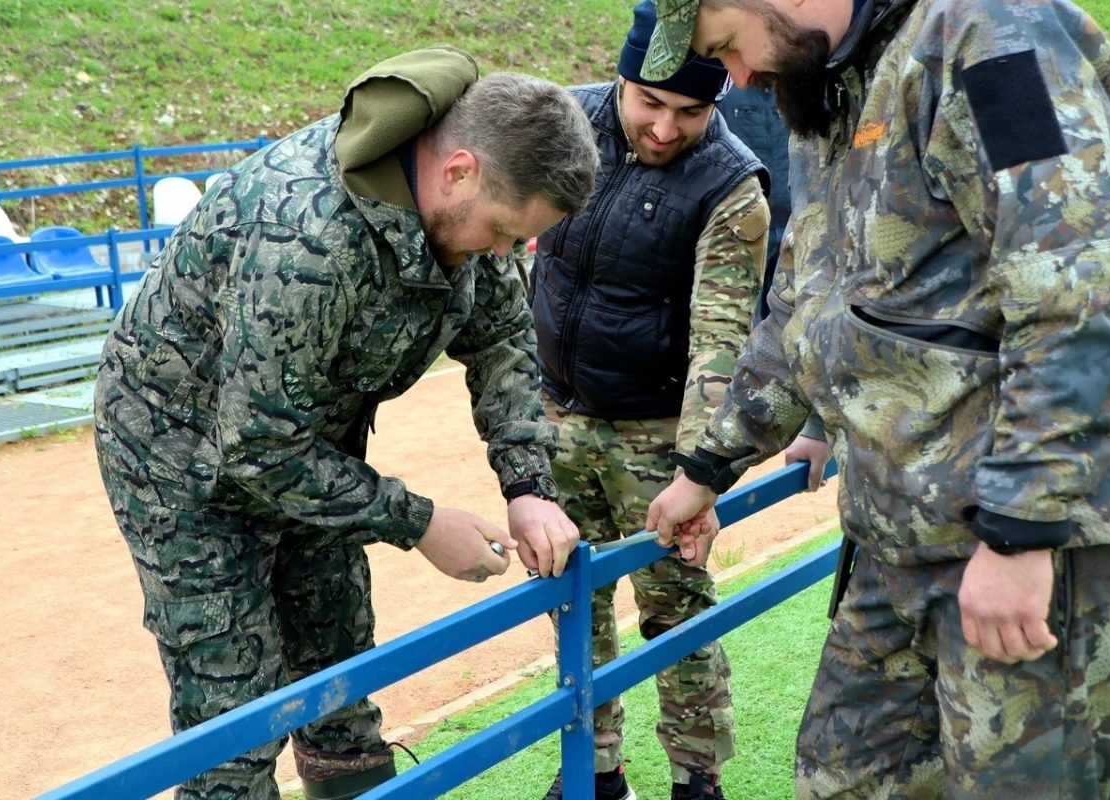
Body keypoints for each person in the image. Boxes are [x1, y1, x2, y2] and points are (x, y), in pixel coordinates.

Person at [641, 2, 1110, 798]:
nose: (742, 77)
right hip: (894, 541)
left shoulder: (987, 33)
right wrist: (709, 465)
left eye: (727, 46)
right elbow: (802, 306)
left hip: (1026, 539)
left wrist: (1021, 531)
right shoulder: (825, 89)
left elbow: (1076, 289)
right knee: (840, 777)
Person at [93, 47, 599, 800]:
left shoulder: (468, 202)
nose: (501, 254)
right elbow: (256, 449)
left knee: (338, 673)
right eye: (499, 232)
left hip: (309, 438)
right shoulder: (310, 236)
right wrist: (420, 521)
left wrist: (527, 483)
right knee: (235, 711)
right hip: (182, 456)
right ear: (459, 170)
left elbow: (500, 338)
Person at [527, 3, 768, 798]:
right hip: (558, 413)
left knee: (678, 614)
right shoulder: (559, 124)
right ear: (621, 81)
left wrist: (698, 469)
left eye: (690, 111)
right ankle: (594, 772)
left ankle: (697, 777)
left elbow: (721, 338)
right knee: (574, 609)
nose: (664, 128)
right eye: (649, 103)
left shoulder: (733, 186)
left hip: (658, 431)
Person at [717, 83, 791, 323]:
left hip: (793, 223)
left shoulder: (801, 83)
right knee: (743, 318)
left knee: (785, 317)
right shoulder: (726, 88)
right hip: (744, 224)